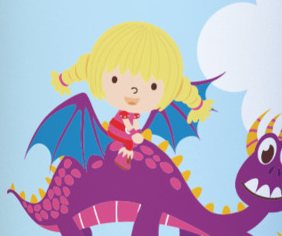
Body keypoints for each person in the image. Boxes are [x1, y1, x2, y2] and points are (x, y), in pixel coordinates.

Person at [50, 21, 212, 168]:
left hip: (125, 134)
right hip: (118, 130)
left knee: (130, 145)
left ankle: (125, 155)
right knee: (128, 143)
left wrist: (198, 105)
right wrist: (63, 79)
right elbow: (82, 70)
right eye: (115, 79)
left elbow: (184, 91)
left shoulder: (142, 109)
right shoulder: (125, 114)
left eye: (153, 86)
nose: (133, 91)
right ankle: (123, 155)